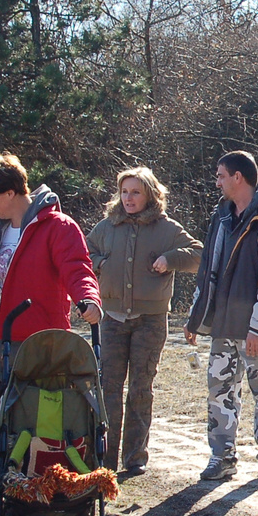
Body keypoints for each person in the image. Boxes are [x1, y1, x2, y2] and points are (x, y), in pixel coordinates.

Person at [183, 151, 258, 484]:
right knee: (219, 393)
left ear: (238, 178)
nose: (217, 181)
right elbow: (208, 271)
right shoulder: (221, 217)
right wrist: (196, 317)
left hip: (256, 332)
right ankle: (221, 458)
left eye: (221, 175)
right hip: (223, 326)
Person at [86, 166, 201, 472]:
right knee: (108, 387)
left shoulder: (165, 227)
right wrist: (101, 264)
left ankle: (135, 458)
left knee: (140, 388)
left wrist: (170, 259)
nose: (129, 198)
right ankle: (104, 459)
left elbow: (199, 254)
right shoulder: (107, 226)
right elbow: (85, 253)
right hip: (110, 318)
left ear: (150, 194)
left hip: (150, 319)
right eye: (124, 191)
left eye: (135, 192)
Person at [0, 154, 101, 414]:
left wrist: (89, 299)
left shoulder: (58, 227)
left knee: (37, 429)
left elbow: (77, 268)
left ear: (9, 192)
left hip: (37, 349)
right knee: (4, 427)